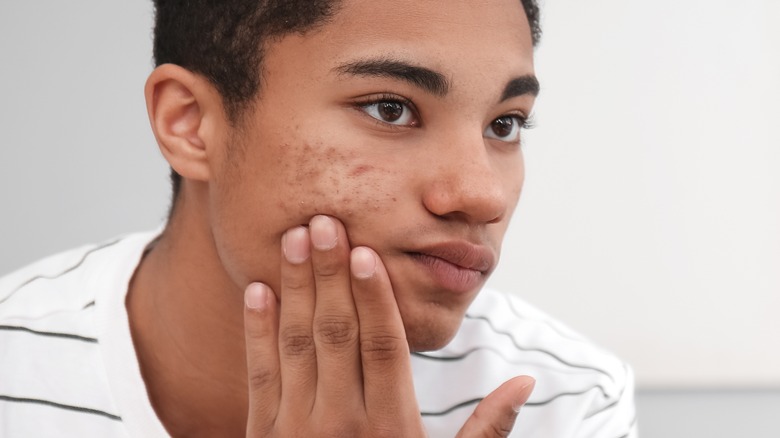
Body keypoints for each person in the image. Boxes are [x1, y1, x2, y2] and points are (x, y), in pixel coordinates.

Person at [0, 0, 637, 436]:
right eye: (390, 108)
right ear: (190, 124)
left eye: (505, 124)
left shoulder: (565, 399)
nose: (482, 195)